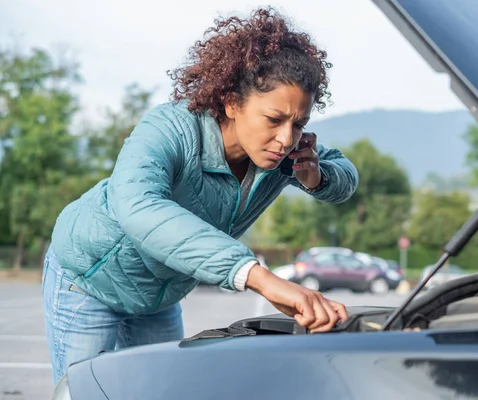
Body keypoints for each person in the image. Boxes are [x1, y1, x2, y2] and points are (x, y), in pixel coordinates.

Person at [41, 7, 359, 384]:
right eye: (274, 119)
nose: (286, 138)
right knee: (90, 391)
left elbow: (346, 175)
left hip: (158, 299)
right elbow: (140, 207)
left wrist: (316, 176)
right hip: (88, 280)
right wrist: (259, 277)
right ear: (231, 102)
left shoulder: (287, 155)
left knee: (165, 392)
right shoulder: (169, 128)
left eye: (299, 123)